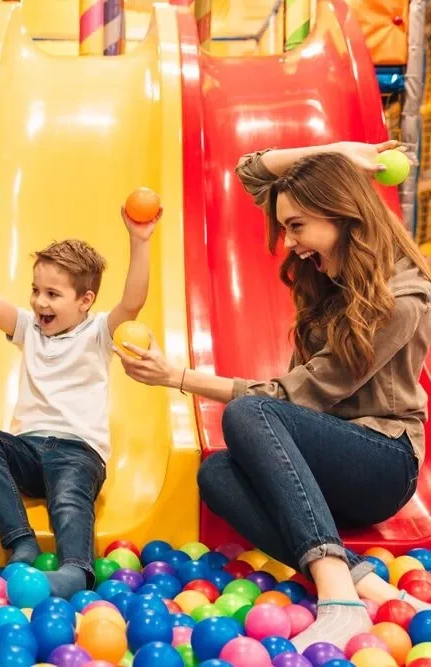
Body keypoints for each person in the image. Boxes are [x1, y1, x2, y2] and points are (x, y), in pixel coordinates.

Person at [114, 140, 431, 650]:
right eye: (286, 226)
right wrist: (339, 151)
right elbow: (251, 171)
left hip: (381, 462)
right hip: (322, 468)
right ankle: (362, 582)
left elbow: (295, 396)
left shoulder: (402, 298)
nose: (288, 242)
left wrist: (177, 377)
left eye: (297, 226)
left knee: (249, 413)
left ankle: (338, 597)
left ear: (342, 214)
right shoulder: (332, 275)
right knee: (216, 472)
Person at [0, 197, 160, 598]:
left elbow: (132, 302)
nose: (40, 302)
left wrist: (140, 240)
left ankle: (76, 569)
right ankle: (20, 541)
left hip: (77, 452)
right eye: (36, 290)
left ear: (85, 301)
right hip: (27, 450)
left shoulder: (97, 334)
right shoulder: (29, 328)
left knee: (68, 500)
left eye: (53, 294)